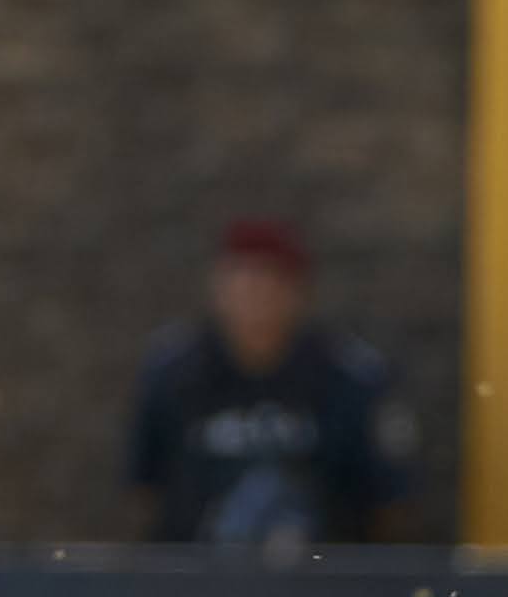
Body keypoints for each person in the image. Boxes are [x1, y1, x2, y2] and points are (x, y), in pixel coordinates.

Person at [123, 216, 413, 549]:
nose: (256, 297)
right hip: (198, 570)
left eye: (270, 281)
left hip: (323, 572)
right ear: (219, 288)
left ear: (298, 291)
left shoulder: (350, 376)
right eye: (243, 281)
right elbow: (143, 490)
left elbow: (389, 502)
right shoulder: (174, 371)